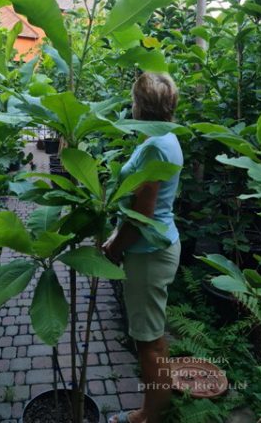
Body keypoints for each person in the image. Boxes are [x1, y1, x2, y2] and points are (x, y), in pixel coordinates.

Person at [102, 72, 183, 423]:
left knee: (149, 341)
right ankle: (155, 409)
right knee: (152, 336)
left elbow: (142, 215)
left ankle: (149, 416)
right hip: (156, 246)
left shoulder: (154, 147)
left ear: (140, 104)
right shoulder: (164, 137)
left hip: (149, 253)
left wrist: (115, 248)